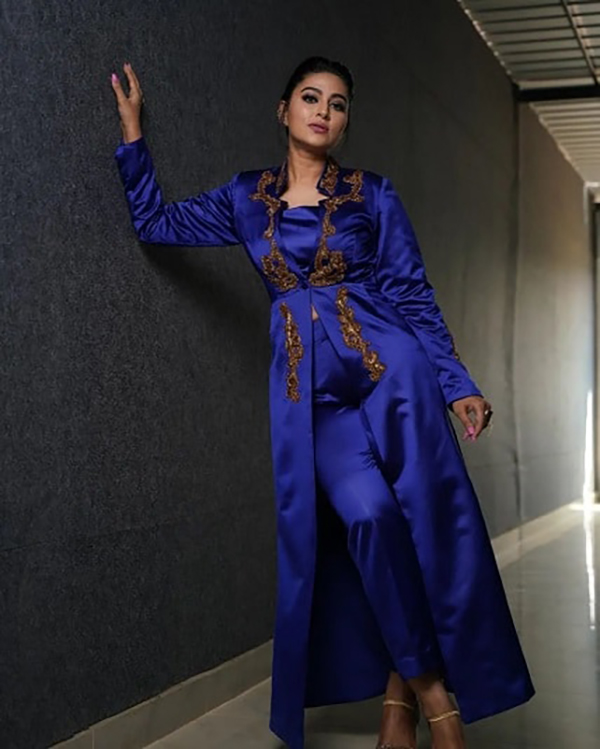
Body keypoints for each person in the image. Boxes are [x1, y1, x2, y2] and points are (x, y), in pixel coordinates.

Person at [110, 56, 534, 749]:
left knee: (430, 528)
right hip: (311, 398)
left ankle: (402, 702)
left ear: (344, 122)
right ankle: (433, 696)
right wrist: (133, 134)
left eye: (338, 105)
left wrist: (458, 383)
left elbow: (412, 294)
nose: (323, 112)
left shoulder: (373, 194)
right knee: (369, 520)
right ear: (284, 111)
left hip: (394, 377)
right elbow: (156, 223)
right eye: (311, 98)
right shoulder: (246, 196)